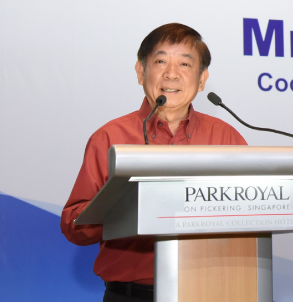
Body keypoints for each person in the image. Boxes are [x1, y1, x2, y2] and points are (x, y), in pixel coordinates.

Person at [61, 23, 247, 302]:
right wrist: (120, 207)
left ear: (202, 79)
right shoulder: (110, 138)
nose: (171, 73)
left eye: (185, 63)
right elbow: (73, 226)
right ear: (140, 71)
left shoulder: (225, 137)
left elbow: (249, 214)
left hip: (212, 290)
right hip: (133, 296)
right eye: (160, 61)